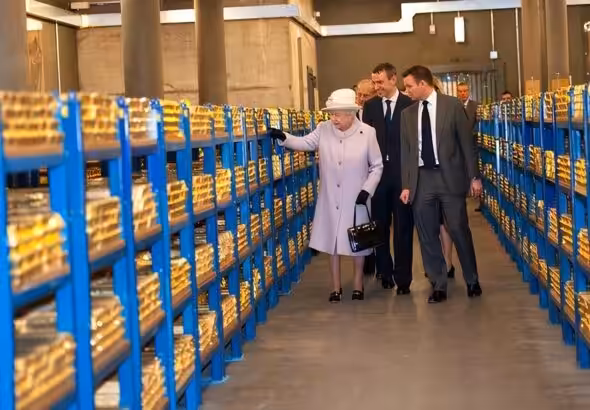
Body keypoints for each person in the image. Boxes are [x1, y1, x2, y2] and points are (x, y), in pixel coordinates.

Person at [269, 88, 383, 303]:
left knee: (358, 241)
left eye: (337, 114)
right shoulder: (324, 129)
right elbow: (306, 143)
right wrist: (285, 137)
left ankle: (358, 285)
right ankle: (335, 288)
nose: (333, 118)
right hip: (330, 196)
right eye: (331, 114)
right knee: (333, 242)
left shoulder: (367, 132)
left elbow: (377, 166)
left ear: (350, 113)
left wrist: (367, 189)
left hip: (357, 196)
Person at [399, 65, 482, 304]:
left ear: (423, 84)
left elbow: (467, 144)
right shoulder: (408, 114)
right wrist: (406, 185)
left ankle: (472, 279)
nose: (407, 91)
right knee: (426, 234)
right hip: (421, 180)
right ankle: (438, 284)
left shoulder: (452, 105)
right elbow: (406, 152)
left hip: (449, 178)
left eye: (410, 86)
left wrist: (474, 177)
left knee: (458, 229)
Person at [363, 62, 414, 294]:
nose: (377, 86)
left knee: (404, 228)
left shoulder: (409, 104)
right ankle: (384, 271)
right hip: (377, 178)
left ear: (394, 80)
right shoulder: (370, 107)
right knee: (379, 226)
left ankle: (403, 279)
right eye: (374, 82)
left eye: (380, 82)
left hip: (403, 177)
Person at [355, 78, 378, 276]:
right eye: (359, 94)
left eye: (365, 95)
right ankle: (367, 262)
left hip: (376, 172)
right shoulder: (348, 114)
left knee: (376, 217)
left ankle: (380, 260)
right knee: (361, 220)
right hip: (356, 175)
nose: (361, 99)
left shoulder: (378, 112)